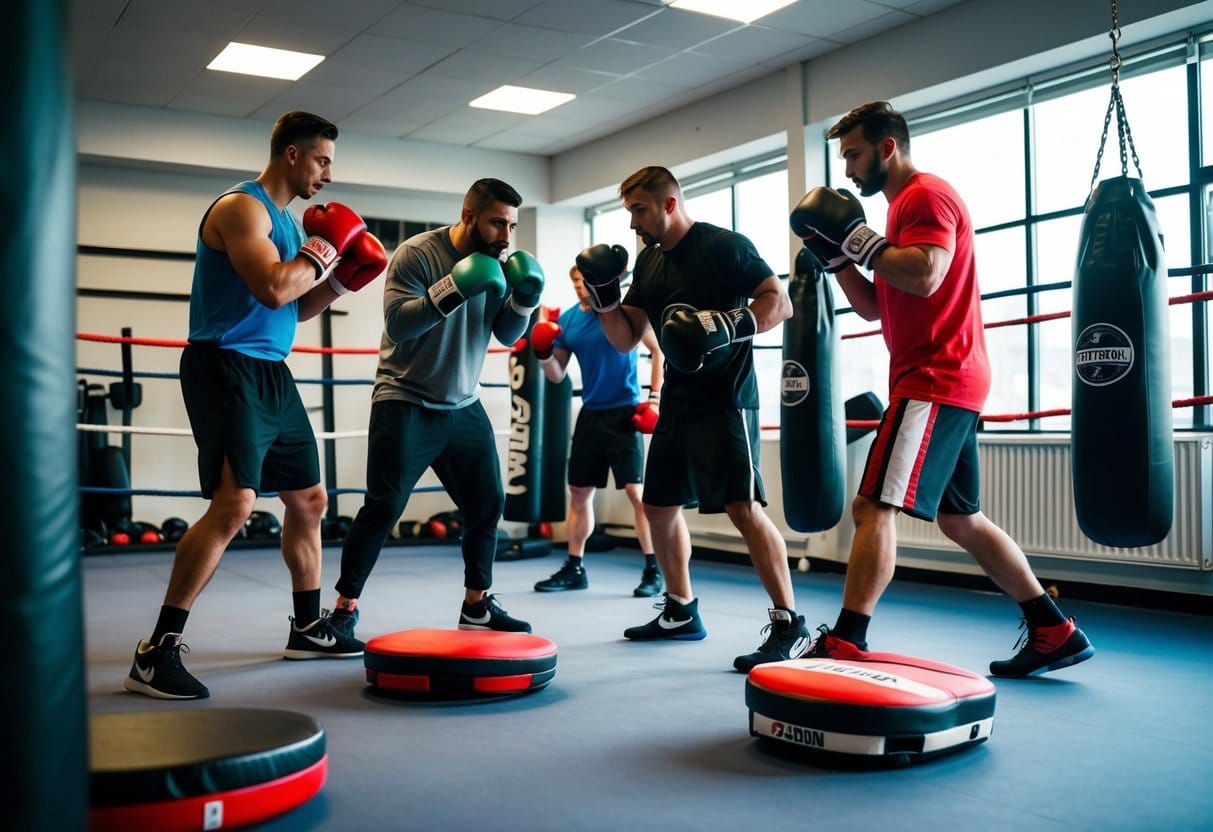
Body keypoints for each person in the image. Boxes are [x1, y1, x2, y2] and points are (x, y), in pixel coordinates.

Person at [790, 100, 1094, 677]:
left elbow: (927, 274)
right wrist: (837, 259)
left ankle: (849, 637)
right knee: (961, 519)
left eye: (853, 154)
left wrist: (856, 240)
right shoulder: (898, 215)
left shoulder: (926, 196)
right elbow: (876, 306)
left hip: (936, 373)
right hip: (937, 373)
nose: (849, 170)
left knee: (873, 502)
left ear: (887, 148)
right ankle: (1053, 629)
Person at [125, 111, 387, 700]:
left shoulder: (291, 227)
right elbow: (271, 285)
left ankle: (306, 626)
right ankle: (156, 651)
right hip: (223, 366)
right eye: (321, 160)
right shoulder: (239, 209)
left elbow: (295, 306)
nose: (327, 174)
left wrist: (347, 280)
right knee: (235, 503)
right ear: (291, 155)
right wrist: (325, 250)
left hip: (271, 371)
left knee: (310, 498)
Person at [580, 165, 811, 673]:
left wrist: (726, 324)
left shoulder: (723, 246)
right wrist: (604, 300)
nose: (633, 223)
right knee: (659, 508)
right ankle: (681, 609)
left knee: (742, 508)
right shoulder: (649, 265)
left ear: (668, 203)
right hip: (679, 403)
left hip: (727, 399)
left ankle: (789, 622)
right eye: (628, 212)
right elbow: (624, 337)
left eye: (639, 210)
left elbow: (780, 303)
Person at [328, 178, 544, 639]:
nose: (506, 235)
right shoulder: (418, 254)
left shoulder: (502, 264)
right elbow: (398, 324)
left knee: (488, 504)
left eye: (512, 225)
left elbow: (507, 336)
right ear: (469, 216)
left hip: (463, 403)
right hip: (405, 399)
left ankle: (477, 605)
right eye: (497, 223)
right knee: (384, 507)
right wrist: (455, 287)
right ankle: (344, 611)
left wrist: (525, 301)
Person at [530, 265, 665, 597]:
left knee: (637, 494)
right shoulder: (570, 321)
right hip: (591, 415)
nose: (579, 287)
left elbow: (658, 350)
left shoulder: (622, 312)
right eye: (574, 281)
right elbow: (556, 375)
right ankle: (575, 567)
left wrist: (655, 399)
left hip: (625, 413)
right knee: (579, 494)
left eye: (584, 281)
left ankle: (654, 570)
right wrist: (543, 352)